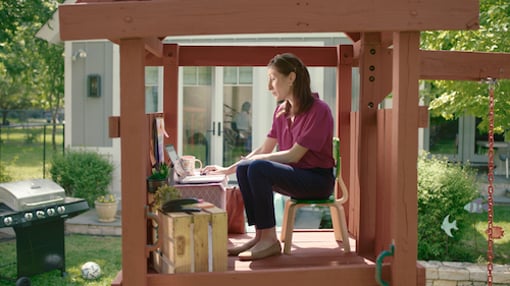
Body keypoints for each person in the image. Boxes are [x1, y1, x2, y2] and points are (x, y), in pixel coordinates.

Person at [202, 53, 335, 261]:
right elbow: (265, 148)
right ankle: (261, 235)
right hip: (295, 174)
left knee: (257, 167)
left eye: (273, 78)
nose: (269, 86)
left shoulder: (320, 110)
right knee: (247, 168)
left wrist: (255, 162)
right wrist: (230, 168)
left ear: (291, 78)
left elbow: (294, 155)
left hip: (317, 180)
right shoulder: (281, 112)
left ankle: (270, 240)